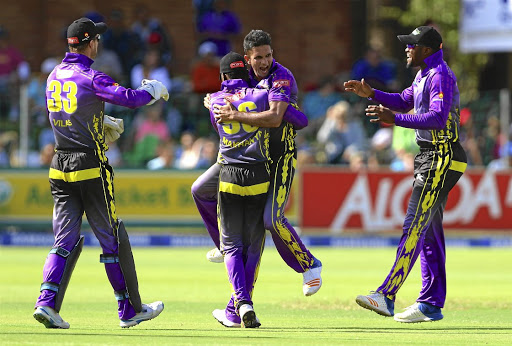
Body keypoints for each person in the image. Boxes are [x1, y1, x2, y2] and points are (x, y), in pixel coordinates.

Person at [33, 17, 169, 329]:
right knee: (110, 238)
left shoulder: (54, 74)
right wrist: (152, 89)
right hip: (89, 165)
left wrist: (97, 121)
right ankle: (128, 310)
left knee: (63, 239)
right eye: (97, 39)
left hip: (59, 162)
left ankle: (47, 303)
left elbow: (60, 113)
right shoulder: (90, 75)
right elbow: (130, 99)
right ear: (91, 42)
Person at [344, 26, 467, 323]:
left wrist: (395, 120)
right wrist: (372, 93)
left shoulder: (439, 75)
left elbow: (438, 118)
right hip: (431, 156)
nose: (407, 49)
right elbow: (403, 99)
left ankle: (386, 295)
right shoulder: (423, 73)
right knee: (428, 231)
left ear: (427, 49)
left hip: (441, 155)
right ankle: (430, 304)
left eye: (412, 45)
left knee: (414, 226)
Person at [192, 29, 322, 297]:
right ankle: (223, 244)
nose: (265, 62)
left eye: (269, 55)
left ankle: (310, 265)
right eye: (259, 57)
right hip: (243, 156)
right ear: (247, 58)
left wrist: (234, 113)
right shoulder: (245, 76)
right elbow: (227, 103)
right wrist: (213, 105)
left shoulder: (281, 76)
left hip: (279, 156)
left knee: (270, 220)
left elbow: (277, 119)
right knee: (200, 190)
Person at [210, 51, 308, 328]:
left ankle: (242, 302)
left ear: (223, 77)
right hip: (259, 174)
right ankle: (243, 303)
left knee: (230, 245)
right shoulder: (263, 95)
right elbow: (300, 121)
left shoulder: (215, 100)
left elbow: (216, 128)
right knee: (253, 245)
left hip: (229, 174)